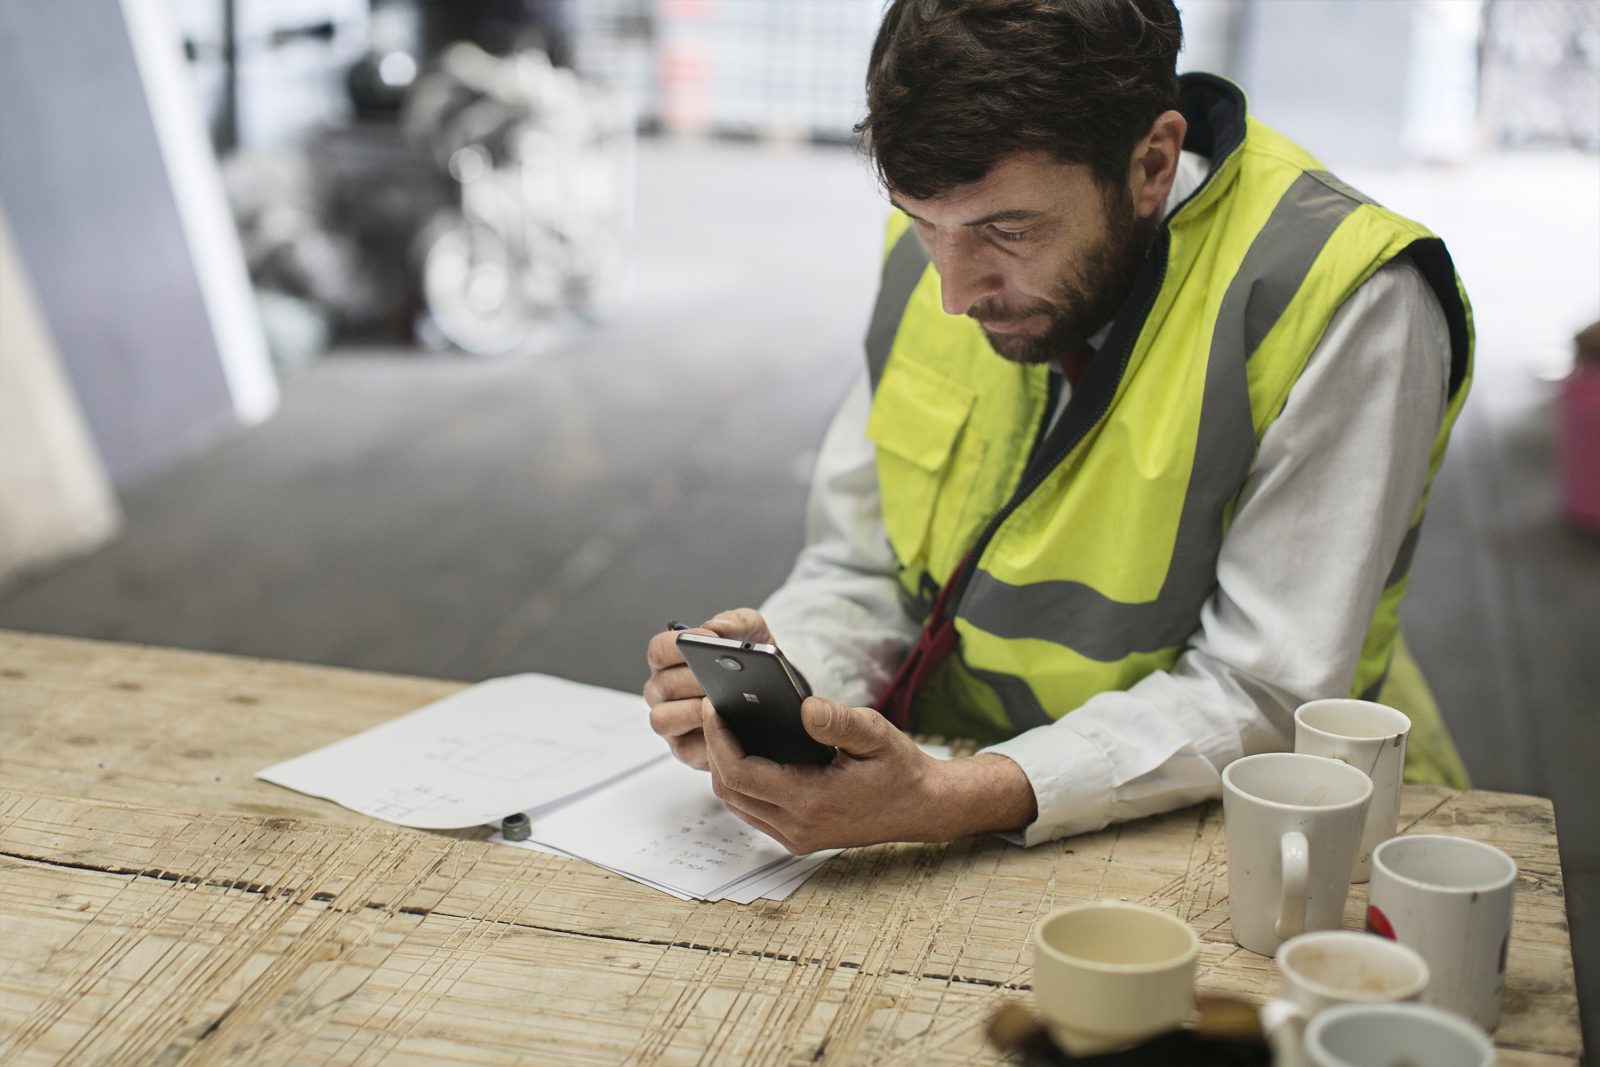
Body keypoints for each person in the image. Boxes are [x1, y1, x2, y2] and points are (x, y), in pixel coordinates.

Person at [643, 0, 1473, 854]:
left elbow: (1264, 691)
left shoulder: (1344, 297)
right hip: (946, 783)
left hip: (1276, 833)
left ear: (1151, 162)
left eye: (1009, 229)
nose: (955, 292)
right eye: (923, 221)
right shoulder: (943, 243)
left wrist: (956, 794)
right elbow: (865, 564)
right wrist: (794, 683)